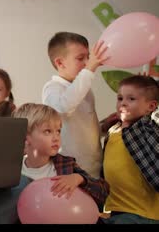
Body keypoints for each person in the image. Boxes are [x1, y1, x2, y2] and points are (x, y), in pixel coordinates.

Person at [13, 103, 110, 211]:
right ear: (26, 138)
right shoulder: (12, 170)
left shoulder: (66, 164)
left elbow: (103, 191)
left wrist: (80, 178)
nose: (56, 138)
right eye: (47, 131)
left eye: (58, 131)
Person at [42, 32, 109, 178]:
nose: (86, 63)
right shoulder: (52, 88)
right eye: (80, 58)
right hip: (69, 171)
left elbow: (84, 126)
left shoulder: (85, 90)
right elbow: (63, 108)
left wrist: (103, 126)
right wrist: (89, 70)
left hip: (93, 168)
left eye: (88, 57)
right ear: (60, 63)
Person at [101, 75, 159, 224]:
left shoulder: (146, 129)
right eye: (120, 98)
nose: (123, 104)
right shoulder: (114, 130)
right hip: (115, 209)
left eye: (131, 99)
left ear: (151, 107)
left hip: (141, 213)